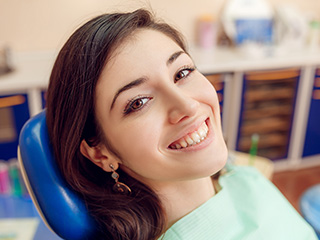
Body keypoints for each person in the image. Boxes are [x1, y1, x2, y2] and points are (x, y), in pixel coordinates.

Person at [46, 8, 318, 240]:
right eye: (139, 102)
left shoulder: (239, 176)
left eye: (182, 73)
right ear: (100, 153)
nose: (188, 105)